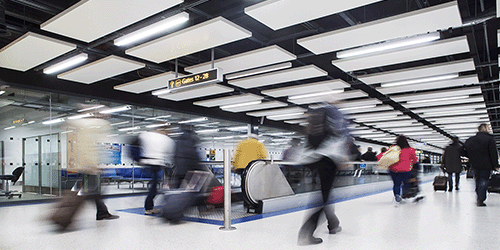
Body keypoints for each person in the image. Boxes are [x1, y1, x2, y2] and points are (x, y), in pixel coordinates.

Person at [297, 104, 350, 245]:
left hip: (312, 162)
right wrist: (342, 159)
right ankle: (305, 233)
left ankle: (333, 224)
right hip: (327, 162)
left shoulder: (312, 130)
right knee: (323, 198)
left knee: (323, 196)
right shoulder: (331, 124)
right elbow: (337, 142)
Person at [65, 116, 119, 221]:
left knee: (94, 192)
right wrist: (95, 166)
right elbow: (89, 153)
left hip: (88, 168)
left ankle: (102, 212)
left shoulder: (83, 135)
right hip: (91, 168)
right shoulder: (88, 135)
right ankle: (101, 212)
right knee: (93, 192)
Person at [138, 128, 175, 215]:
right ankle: (148, 208)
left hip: (152, 163)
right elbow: (170, 151)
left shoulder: (148, 136)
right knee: (154, 188)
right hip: (154, 164)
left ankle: (150, 206)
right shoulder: (163, 138)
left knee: (154, 187)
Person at [463, 124, 499, 206]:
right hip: (486, 165)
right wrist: (495, 165)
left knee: (477, 180)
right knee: (483, 181)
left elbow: (463, 150)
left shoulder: (470, 140)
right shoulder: (490, 139)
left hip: (475, 164)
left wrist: (471, 156)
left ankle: (479, 195)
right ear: (485, 129)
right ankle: (481, 199)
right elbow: (493, 153)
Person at [378, 135, 417, 205]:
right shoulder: (410, 150)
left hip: (393, 169)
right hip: (406, 170)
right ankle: (404, 195)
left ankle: (397, 196)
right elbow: (414, 161)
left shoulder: (392, 148)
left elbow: (386, 156)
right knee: (405, 183)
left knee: (396, 184)